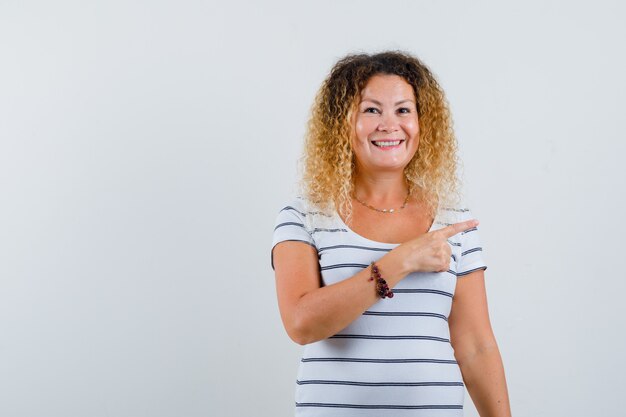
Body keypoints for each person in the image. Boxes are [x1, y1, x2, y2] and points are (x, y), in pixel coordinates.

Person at [271, 51, 511, 416]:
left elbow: (476, 346)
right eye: (371, 110)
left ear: (421, 122)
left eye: (403, 110)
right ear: (342, 122)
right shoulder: (304, 215)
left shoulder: (453, 221)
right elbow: (301, 323)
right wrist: (401, 261)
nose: (389, 124)